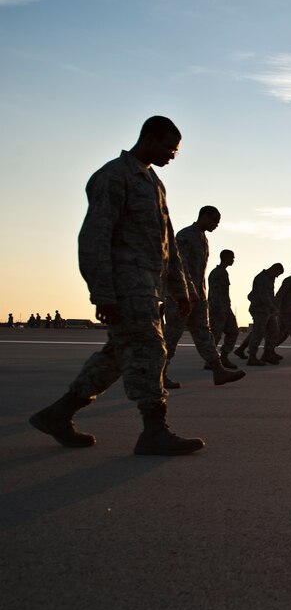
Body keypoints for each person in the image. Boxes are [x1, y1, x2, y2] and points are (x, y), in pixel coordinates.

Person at [29, 116, 204, 455]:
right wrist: (104, 293)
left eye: (175, 152)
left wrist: (181, 290)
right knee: (151, 349)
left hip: (148, 286)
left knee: (116, 358)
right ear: (149, 139)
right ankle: (154, 430)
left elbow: (166, 243)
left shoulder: (153, 182)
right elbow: (94, 237)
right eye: (169, 148)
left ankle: (59, 414)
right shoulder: (113, 177)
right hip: (126, 285)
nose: (171, 156)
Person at [162, 206, 245, 388]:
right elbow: (179, 266)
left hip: (197, 298)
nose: (216, 225)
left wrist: (199, 295)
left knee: (204, 335)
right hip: (181, 297)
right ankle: (157, 375)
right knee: (171, 337)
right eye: (214, 221)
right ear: (204, 216)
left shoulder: (202, 239)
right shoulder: (185, 236)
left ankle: (218, 370)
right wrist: (189, 291)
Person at [245, 263, 284, 366]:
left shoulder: (269, 278)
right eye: (277, 274)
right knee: (258, 333)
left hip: (267, 310)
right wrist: (274, 309)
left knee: (274, 331)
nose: (276, 277)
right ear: (273, 269)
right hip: (260, 310)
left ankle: (267, 353)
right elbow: (264, 297)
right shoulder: (262, 278)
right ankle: (252, 357)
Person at [208, 249, 239, 367]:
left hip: (225, 307)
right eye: (232, 257)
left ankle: (224, 356)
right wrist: (218, 309)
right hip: (218, 308)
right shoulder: (217, 273)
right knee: (216, 335)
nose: (233, 260)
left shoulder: (223, 272)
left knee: (233, 331)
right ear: (225, 258)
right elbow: (215, 294)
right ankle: (211, 360)